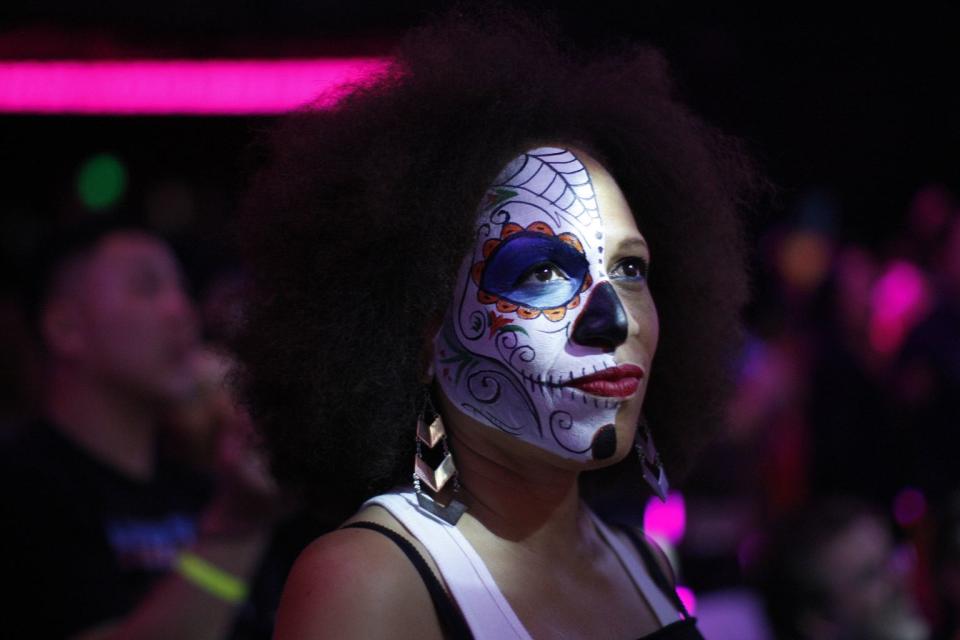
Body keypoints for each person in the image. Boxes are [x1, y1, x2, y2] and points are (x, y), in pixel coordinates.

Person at [234, 10, 756, 639]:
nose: (613, 319)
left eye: (628, 268)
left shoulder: (642, 560)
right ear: (421, 329)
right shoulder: (369, 583)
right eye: (540, 272)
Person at [1, 219, 278, 638]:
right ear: (65, 328)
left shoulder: (200, 484)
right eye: (147, 288)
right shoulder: (24, 489)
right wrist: (239, 525)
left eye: (182, 289)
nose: (182, 310)